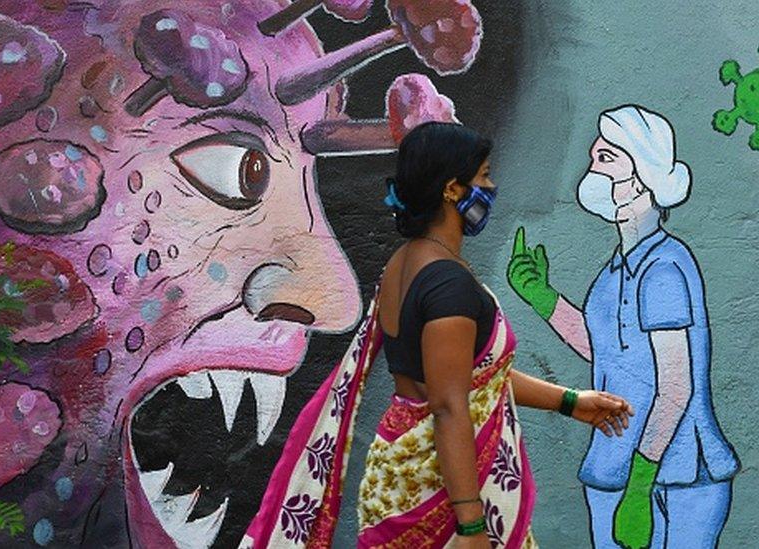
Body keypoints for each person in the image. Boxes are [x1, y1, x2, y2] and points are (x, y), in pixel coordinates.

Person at [244, 122, 634, 548]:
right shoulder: (449, 285)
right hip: (439, 497)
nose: (491, 186)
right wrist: (470, 525)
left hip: (399, 477)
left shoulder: (403, 264)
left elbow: (469, 377)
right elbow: (449, 406)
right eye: (483, 175)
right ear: (452, 190)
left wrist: (570, 401)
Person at [507, 105, 740, 549]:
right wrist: (543, 297)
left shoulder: (665, 270)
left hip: (676, 477)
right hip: (615, 467)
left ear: (640, 176)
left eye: (605, 158)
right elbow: (609, 350)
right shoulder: (614, 272)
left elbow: (677, 387)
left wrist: (640, 487)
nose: (592, 167)